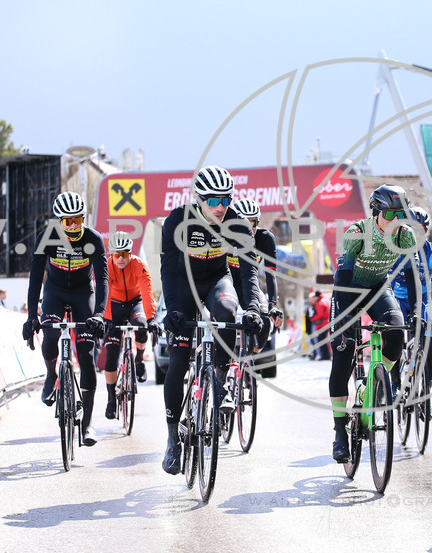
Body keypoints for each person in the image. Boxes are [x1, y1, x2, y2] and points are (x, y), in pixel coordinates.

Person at [159, 165, 264, 475]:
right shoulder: (179, 220)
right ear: (199, 198)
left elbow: (249, 272)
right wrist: (174, 309)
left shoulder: (238, 225)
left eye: (226, 199)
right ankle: (171, 440)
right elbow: (168, 270)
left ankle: (217, 383)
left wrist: (255, 308)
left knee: (229, 313)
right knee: (178, 359)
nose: (221, 206)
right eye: (214, 200)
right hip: (183, 283)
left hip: (218, 279)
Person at [329, 184, 416, 462]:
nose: (396, 221)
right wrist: (343, 319)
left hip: (378, 286)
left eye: (401, 215)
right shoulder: (357, 233)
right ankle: (340, 431)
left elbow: (413, 275)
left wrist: (415, 312)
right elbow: (342, 277)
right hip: (349, 289)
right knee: (344, 354)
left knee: (396, 331)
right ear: (376, 212)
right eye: (390, 215)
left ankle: (373, 386)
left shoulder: (405, 235)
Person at [21, 191, 108, 446]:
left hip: (83, 293)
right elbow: (35, 278)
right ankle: (51, 374)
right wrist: (30, 316)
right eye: (68, 222)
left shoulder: (93, 239)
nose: (73, 226)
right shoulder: (46, 238)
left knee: (86, 354)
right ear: (59, 221)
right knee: (50, 334)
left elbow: (102, 279)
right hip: (55, 292)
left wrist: (100, 315)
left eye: (78, 220)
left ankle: (88, 423)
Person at [391, 206, 432, 403]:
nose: (416, 235)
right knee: (393, 336)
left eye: (421, 230)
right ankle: (395, 382)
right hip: (398, 300)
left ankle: (425, 390)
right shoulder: (395, 248)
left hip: (423, 302)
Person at [102, 232, 160, 420]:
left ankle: (139, 359)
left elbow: (147, 291)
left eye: (124, 255)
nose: (120, 259)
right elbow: (103, 294)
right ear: (112, 254)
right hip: (114, 306)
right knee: (111, 355)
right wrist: (106, 319)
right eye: (117, 255)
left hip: (135, 303)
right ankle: (111, 398)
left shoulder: (139, 264)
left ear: (130, 254)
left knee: (142, 326)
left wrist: (151, 318)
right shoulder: (107, 266)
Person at [228, 197, 284, 376]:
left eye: (253, 222)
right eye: (243, 222)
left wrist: (273, 304)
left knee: (264, 322)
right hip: (227, 283)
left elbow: (271, 274)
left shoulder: (265, 238)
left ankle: (249, 358)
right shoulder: (225, 236)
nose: (249, 228)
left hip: (248, 285)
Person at [308, 290, 331, 360]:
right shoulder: (325, 301)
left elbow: (320, 314)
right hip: (326, 322)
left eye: (315, 297)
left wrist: (313, 318)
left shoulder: (319, 303)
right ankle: (326, 355)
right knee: (324, 340)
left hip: (322, 324)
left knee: (321, 340)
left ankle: (325, 356)